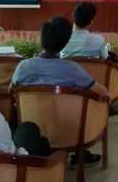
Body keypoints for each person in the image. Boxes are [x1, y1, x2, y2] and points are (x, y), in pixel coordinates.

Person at [11, 17, 108, 166]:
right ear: (65, 42)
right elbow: (102, 93)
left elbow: (10, 92)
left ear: (41, 39)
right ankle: (80, 154)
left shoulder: (23, 66)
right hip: (69, 132)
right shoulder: (72, 69)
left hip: (32, 132)